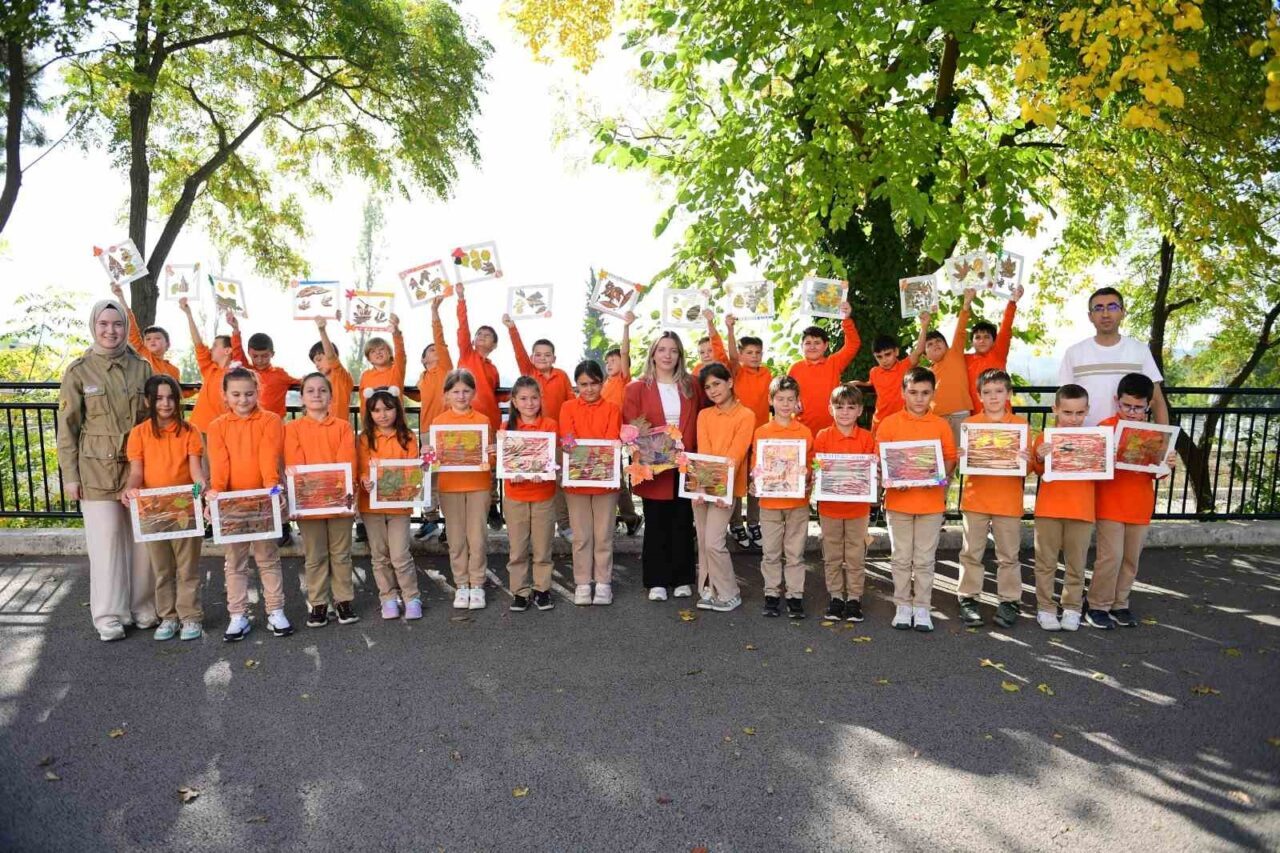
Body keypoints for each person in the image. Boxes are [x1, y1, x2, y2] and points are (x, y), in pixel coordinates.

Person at [57, 299, 154, 641]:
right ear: (94, 326)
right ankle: (109, 615)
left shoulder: (142, 367)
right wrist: (70, 476)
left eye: (117, 324)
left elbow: (154, 417)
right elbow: (67, 428)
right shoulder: (79, 371)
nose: (110, 331)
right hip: (96, 471)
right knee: (107, 542)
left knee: (143, 542)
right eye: (104, 324)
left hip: (138, 469)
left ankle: (143, 606)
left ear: (125, 328)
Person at [205, 367, 292, 641]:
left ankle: (276, 611)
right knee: (235, 563)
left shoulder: (270, 420)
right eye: (236, 394)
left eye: (249, 393)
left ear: (258, 392)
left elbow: (269, 458)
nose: (243, 399)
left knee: (268, 558)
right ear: (225, 395)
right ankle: (238, 615)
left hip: (263, 502)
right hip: (232, 505)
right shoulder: (217, 425)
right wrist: (215, 495)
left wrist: (273, 490)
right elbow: (219, 466)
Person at [1087, 373, 1177, 629]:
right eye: (1127, 406)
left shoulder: (1157, 434)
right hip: (1110, 503)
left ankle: (1120, 604)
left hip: (1140, 504)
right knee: (1110, 557)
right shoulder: (1104, 427)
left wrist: (1167, 463)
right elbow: (1092, 465)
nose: (1132, 412)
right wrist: (1106, 456)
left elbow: (1159, 474)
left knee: (1130, 559)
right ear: (1117, 401)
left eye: (1138, 407)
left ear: (1148, 405)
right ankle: (1097, 605)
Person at [123, 374, 206, 641]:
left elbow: (196, 472)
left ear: (178, 400)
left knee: (187, 568)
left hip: (185, 508)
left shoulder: (190, 431)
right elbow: (137, 473)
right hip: (153, 509)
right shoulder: (139, 433)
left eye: (171, 397)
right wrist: (131, 489)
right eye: (159, 398)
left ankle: (190, 617)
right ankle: (168, 617)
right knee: (161, 569)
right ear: (149, 400)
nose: (166, 403)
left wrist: (202, 486)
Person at [622, 332, 705, 601]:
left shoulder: (692, 385)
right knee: (656, 522)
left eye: (673, 350)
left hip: (685, 465)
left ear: (680, 355)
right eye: (662, 350)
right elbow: (631, 426)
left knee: (683, 522)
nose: (667, 355)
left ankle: (682, 579)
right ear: (653, 354)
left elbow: (701, 420)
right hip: (654, 466)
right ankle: (656, 580)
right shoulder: (636, 388)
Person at [875, 366, 957, 632]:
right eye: (913, 392)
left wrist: (938, 475)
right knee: (900, 557)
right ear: (903, 393)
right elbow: (882, 461)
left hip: (931, 503)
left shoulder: (940, 424)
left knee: (924, 559)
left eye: (925, 393)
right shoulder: (889, 424)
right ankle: (902, 605)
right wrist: (891, 479)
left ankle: (922, 607)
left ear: (933, 394)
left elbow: (950, 458)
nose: (919, 398)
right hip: (898, 503)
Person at [955, 369, 1029, 630]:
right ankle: (968, 598)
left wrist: (1026, 461)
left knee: (1008, 555)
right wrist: (961, 455)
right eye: (987, 392)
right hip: (975, 500)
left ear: (1009, 394)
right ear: (979, 396)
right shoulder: (970, 425)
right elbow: (959, 466)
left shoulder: (1020, 426)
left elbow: (1027, 469)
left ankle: (1009, 601)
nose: (993, 397)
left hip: (1008, 501)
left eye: (999, 391)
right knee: (971, 553)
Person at [284, 373, 359, 628]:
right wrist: (301, 498)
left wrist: (339, 492)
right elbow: (295, 464)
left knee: (341, 554)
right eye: (310, 391)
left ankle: (343, 600)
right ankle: (318, 603)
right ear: (302, 397)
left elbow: (347, 462)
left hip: (339, 501)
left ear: (330, 396)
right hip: (308, 504)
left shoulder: (343, 427)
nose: (317, 395)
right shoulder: (292, 429)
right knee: (314, 556)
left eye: (322, 390)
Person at [502, 313, 573, 540]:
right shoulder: (529, 373)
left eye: (547, 354)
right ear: (532, 358)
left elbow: (571, 402)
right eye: (538, 354)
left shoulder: (561, 376)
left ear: (554, 357)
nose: (542, 358)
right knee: (529, 477)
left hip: (555, 434)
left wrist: (570, 432)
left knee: (558, 479)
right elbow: (518, 351)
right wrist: (512, 327)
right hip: (528, 437)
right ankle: (532, 528)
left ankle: (563, 524)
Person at [558, 360, 623, 605]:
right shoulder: (567, 407)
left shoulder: (613, 408)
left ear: (602, 382)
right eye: (583, 384)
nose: (589, 389)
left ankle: (604, 582)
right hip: (576, 483)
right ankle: (583, 583)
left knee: (603, 535)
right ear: (576, 384)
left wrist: (591, 457)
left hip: (605, 482)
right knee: (582, 536)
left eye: (594, 383)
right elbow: (569, 439)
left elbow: (610, 440)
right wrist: (577, 451)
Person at [691, 363, 755, 613]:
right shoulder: (704, 415)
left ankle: (730, 593)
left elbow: (736, 455)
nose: (712, 390)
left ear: (730, 382)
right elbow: (704, 451)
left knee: (714, 542)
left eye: (717, 383)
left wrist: (720, 489)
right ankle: (709, 589)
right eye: (707, 387)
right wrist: (700, 488)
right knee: (704, 540)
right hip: (703, 484)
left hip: (726, 488)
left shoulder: (745, 415)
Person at [1031, 384, 1094, 632]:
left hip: (1082, 510)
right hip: (1049, 509)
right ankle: (1045, 608)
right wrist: (1039, 457)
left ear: (1087, 411)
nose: (1074, 419)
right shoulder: (1044, 438)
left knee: (1076, 564)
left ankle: (1072, 608)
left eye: (1079, 413)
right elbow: (1036, 471)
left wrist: (1105, 457)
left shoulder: (1094, 440)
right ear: (1055, 409)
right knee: (1045, 562)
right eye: (1067, 412)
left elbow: (1104, 474)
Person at [1059, 287, 1169, 426]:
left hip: (1128, 440)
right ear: (1090, 316)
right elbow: (1063, 402)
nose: (1105, 314)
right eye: (1098, 308)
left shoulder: (1139, 350)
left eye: (1112, 307)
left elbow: (1157, 400)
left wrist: (1165, 441)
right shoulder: (1074, 352)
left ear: (1123, 312)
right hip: (1086, 439)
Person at [358, 387, 424, 620]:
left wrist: (416, 477)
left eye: (388, 408)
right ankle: (387, 597)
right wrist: (364, 478)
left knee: (400, 554)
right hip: (371, 505)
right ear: (369, 413)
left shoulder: (409, 437)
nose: (382, 414)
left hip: (399, 506)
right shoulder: (365, 439)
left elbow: (412, 470)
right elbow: (362, 468)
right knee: (379, 555)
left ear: (398, 409)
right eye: (376, 410)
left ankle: (411, 596)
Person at [432, 369, 495, 610]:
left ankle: (477, 583)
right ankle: (461, 584)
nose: (461, 396)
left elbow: (487, 459)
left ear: (473, 393)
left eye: (466, 391)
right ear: (446, 394)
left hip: (478, 485)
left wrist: (491, 457)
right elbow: (434, 461)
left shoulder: (482, 420)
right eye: (455, 391)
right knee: (456, 539)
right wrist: (429, 458)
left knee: (477, 537)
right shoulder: (439, 423)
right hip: (449, 487)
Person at [813, 384, 876, 622]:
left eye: (851, 407)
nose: (845, 412)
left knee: (855, 554)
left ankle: (854, 599)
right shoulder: (823, 436)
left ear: (860, 410)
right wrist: (818, 469)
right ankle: (836, 596)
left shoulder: (867, 438)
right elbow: (817, 467)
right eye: (839, 407)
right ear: (831, 409)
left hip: (858, 510)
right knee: (831, 554)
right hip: (829, 508)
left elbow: (870, 472)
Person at [753, 375, 814, 618]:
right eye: (780, 399)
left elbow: (811, 465)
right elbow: (758, 465)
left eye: (791, 399)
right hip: (769, 503)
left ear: (798, 401)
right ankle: (771, 593)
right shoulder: (762, 432)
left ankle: (795, 595)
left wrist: (807, 474)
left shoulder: (805, 432)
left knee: (795, 553)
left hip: (797, 502)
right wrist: (755, 478)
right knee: (770, 552)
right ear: (771, 400)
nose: (786, 404)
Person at [501, 376, 559, 612]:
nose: (529, 403)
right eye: (523, 398)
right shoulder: (506, 429)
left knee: (543, 546)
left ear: (540, 399)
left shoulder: (549, 425)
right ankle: (520, 591)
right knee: (517, 548)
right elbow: (505, 462)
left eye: (534, 398)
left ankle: (542, 589)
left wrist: (542, 471)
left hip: (543, 493)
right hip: (515, 495)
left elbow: (552, 457)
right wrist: (511, 472)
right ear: (514, 401)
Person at [454, 283, 505, 530]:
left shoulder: (494, 368)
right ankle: (460, 512)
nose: (482, 337)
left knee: (491, 463)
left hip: (490, 421)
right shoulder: (466, 355)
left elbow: (496, 395)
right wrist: (461, 299)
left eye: (488, 335)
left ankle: (492, 505)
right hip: (465, 420)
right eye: (479, 334)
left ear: (494, 344)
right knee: (464, 460)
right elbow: (462, 328)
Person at [722, 314, 773, 550]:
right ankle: (735, 523)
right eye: (749, 352)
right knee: (737, 480)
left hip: (761, 435)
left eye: (758, 352)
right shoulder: (737, 372)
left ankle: (754, 522)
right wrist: (730, 329)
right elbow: (731, 355)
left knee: (756, 478)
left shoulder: (767, 374)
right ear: (741, 355)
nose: (754, 356)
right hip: (738, 434)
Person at [407, 295, 452, 540]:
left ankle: (450, 524)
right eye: (430, 351)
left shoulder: (445, 369)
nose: (435, 351)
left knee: (448, 476)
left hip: (446, 431)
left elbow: (440, 340)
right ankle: (430, 519)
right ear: (423, 360)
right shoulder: (422, 379)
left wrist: (434, 312)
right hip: (426, 433)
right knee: (428, 475)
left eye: (437, 350)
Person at [108, 281, 193, 396]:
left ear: (168, 344)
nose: (152, 341)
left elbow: (176, 394)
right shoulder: (142, 354)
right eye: (148, 339)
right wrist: (121, 297)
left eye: (157, 338)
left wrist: (194, 390)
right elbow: (131, 326)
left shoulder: (174, 370)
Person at [788, 299, 859, 433]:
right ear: (802, 346)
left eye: (817, 342)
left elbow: (853, 344)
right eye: (808, 343)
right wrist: (793, 405)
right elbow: (786, 395)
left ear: (825, 345)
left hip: (832, 430)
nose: (812, 346)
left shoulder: (833, 362)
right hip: (802, 430)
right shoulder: (795, 368)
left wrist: (846, 319)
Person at [179, 297, 246, 437]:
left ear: (227, 351)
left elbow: (238, 352)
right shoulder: (209, 368)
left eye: (215, 346)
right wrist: (189, 315)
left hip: (223, 433)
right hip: (198, 430)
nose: (211, 349)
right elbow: (198, 343)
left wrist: (235, 329)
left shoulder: (236, 373)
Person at [603, 312, 643, 536]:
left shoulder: (623, 379)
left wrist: (626, 327)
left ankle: (629, 516)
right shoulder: (604, 384)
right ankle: (627, 517)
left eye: (614, 360)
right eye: (607, 361)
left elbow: (625, 351)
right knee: (610, 477)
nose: (609, 364)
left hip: (615, 437)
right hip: (602, 435)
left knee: (615, 478)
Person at [921, 289, 973, 446]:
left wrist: (966, 303)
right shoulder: (927, 373)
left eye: (938, 341)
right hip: (937, 418)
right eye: (929, 344)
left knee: (962, 456)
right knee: (943, 457)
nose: (935, 344)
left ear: (947, 345)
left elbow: (961, 330)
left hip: (961, 414)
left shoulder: (954, 354)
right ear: (925, 355)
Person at [858, 322, 926, 433]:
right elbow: (869, 384)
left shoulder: (905, 366)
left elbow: (919, 351)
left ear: (896, 351)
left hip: (903, 423)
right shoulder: (874, 372)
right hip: (880, 422)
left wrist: (924, 325)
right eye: (879, 357)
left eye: (887, 354)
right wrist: (853, 384)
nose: (884, 360)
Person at [964, 286, 1023, 414]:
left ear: (994, 341)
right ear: (971, 342)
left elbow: (1006, 326)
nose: (982, 340)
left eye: (986, 337)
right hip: (976, 418)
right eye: (977, 337)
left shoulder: (998, 354)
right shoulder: (965, 359)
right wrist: (966, 304)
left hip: (1003, 417)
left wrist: (1012, 302)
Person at [308, 316, 355, 423]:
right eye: (314, 362)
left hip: (339, 432)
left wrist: (322, 330)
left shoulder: (340, 377)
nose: (316, 364)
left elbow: (331, 357)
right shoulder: (319, 382)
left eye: (319, 359)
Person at [245, 332, 301, 419]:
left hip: (276, 422)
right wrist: (236, 331)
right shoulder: (248, 372)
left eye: (264, 356)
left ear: (272, 354)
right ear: (249, 353)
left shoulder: (280, 374)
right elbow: (238, 356)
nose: (260, 360)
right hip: (253, 422)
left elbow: (300, 381)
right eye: (255, 356)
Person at [357, 314, 407, 400]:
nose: (378, 353)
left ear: (390, 353)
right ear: (369, 359)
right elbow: (363, 402)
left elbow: (400, 352)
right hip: (371, 413)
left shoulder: (397, 370)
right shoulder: (365, 375)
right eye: (373, 351)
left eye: (381, 349)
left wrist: (396, 332)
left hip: (395, 413)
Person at [687, 310, 728, 378]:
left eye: (710, 351)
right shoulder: (698, 369)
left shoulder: (721, 364)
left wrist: (709, 321)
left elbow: (715, 340)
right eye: (702, 352)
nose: (706, 355)